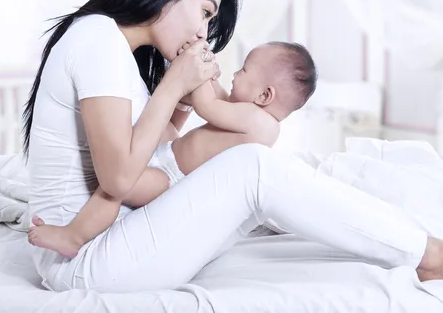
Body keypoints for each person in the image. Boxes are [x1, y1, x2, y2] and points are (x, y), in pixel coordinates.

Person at [25, 0, 443, 293]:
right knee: (256, 168)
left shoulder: (113, 50)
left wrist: (178, 95)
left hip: (121, 231)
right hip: (88, 258)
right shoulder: (97, 38)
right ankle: (432, 255)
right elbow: (118, 180)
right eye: (206, 11)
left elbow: (149, 150)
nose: (204, 32)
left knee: (316, 172)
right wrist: (174, 85)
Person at [27, 41, 317, 258]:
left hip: (173, 179)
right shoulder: (251, 113)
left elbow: (208, 106)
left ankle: (74, 237)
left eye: (243, 70)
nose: (235, 74)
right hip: (168, 157)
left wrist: (196, 75)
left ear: (265, 95)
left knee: (115, 188)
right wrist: (206, 72)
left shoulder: (261, 124)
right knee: (145, 128)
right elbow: (220, 98)